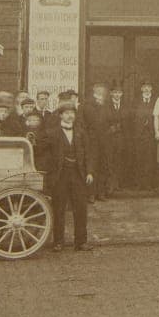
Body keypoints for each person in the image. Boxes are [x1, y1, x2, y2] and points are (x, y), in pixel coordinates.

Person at [37, 100, 96, 251]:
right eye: (67, 113)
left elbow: (89, 153)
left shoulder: (81, 133)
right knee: (59, 208)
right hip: (60, 175)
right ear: (61, 115)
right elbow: (41, 151)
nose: (70, 116)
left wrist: (89, 172)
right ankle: (58, 242)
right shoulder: (52, 133)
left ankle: (81, 242)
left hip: (78, 174)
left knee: (81, 208)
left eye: (72, 113)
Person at [83, 82, 112, 201]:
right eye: (98, 91)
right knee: (91, 167)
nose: (101, 93)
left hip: (104, 140)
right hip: (92, 140)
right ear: (94, 92)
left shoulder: (106, 105)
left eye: (103, 91)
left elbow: (111, 119)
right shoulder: (87, 105)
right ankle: (91, 194)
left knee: (103, 166)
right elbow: (86, 122)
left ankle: (101, 193)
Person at [133, 81, 157, 191]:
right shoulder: (136, 102)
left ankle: (148, 184)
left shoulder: (156, 101)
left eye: (149, 87)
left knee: (150, 160)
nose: (147, 89)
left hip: (151, 136)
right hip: (139, 136)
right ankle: (138, 184)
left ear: (151, 89)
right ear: (141, 89)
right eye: (144, 87)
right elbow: (132, 118)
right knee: (138, 160)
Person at [106, 80, 128, 196]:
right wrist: (112, 128)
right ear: (111, 93)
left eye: (119, 92)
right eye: (115, 92)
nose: (117, 95)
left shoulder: (125, 106)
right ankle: (110, 185)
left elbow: (128, 122)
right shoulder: (106, 106)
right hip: (109, 139)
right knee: (110, 161)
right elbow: (104, 121)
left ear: (122, 94)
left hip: (121, 139)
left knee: (119, 161)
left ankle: (117, 184)